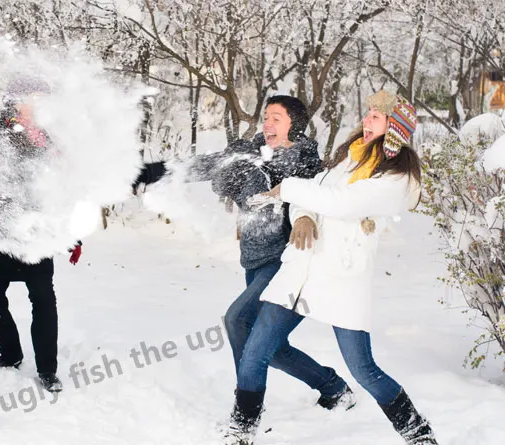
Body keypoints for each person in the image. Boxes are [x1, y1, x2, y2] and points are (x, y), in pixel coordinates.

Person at [226, 91, 438, 445]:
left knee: (364, 370)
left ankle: (418, 433)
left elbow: (342, 203)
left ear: (395, 129)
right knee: (255, 351)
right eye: (368, 112)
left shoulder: (396, 180)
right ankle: (241, 430)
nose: (366, 120)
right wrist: (304, 218)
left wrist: (289, 190)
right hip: (300, 271)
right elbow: (316, 191)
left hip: (341, 280)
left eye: (376, 116)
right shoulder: (350, 158)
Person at [137, 96, 354, 411]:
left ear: (295, 125)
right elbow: (206, 165)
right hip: (255, 262)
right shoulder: (249, 154)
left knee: (238, 320)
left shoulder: (306, 169)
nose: (267, 124)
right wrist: (149, 172)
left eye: (276, 118)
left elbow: (318, 206)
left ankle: (248, 405)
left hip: (287, 264)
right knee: (273, 348)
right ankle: (333, 388)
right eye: (266, 117)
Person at [0, 78, 79, 392]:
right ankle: (10, 352)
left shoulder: (52, 140)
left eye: (41, 99)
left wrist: (72, 232)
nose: (36, 105)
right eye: (30, 98)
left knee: (44, 300)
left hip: (38, 233)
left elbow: (64, 190)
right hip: (1, 231)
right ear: (13, 101)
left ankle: (47, 369)